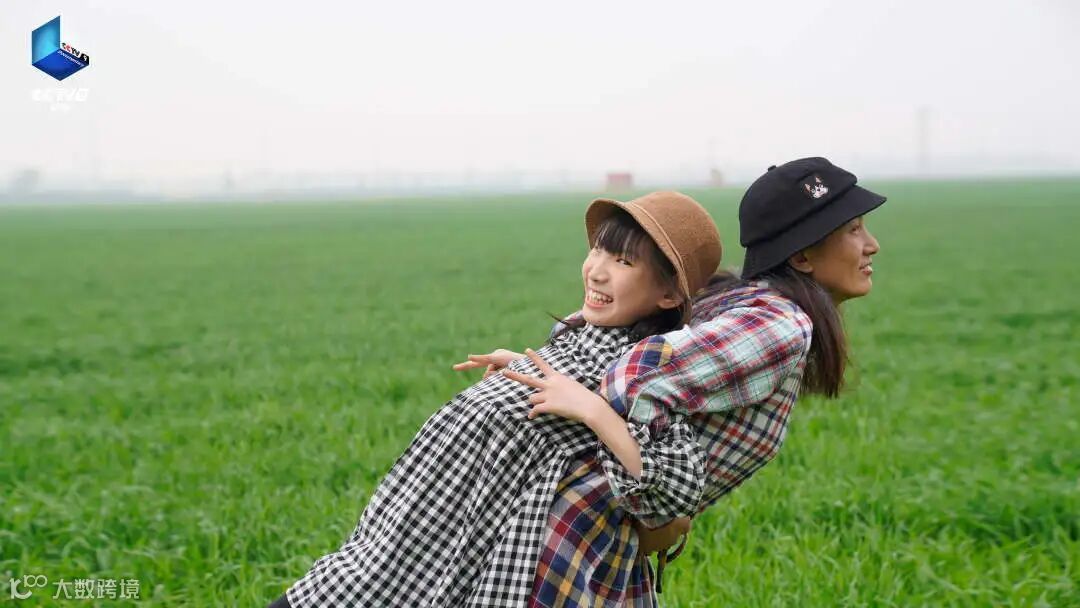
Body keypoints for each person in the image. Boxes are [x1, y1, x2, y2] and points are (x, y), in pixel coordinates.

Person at [268, 191, 723, 608]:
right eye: (598, 250)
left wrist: (591, 409)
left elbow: (678, 488)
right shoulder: (582, 335)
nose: (597, 270)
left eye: (622, 261)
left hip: (452, 545)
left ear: (668, 294)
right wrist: (524, 369)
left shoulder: (644, 369)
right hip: (415, 531)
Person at [482, 156, 886, 606]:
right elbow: (636, 373)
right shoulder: (781, 324)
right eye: (854, 229)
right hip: (579, 538)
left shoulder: (739, 302)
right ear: (802, 256)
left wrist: (543, 371)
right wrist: (588, 406)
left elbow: (616, 349)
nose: (871, 245)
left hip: (584, 530)